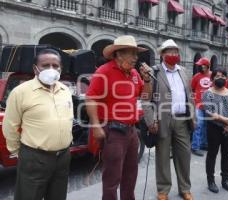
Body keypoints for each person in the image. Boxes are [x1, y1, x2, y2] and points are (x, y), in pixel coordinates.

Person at [85, 35, 152, 200]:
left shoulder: (135, 73)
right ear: (119, 54)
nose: (136, 58)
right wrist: (96, 126)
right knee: (112, 177)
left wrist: (148, 79)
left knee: (131, 175)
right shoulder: (104, 71)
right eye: (132, 53)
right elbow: (90, 98)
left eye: (137, 54)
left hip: (131, 131)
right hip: (113, 131)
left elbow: (145, 96)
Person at [3, 49, 74, 200]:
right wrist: (18, 152)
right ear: (35, 68)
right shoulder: (21, 92)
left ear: (60, 68)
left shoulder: (65, 91)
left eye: (55, 65)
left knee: (58, 196)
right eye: (45, 65)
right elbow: (10, 126)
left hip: (63, 157)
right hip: (35, 157)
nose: (51, 69)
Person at [142, 39, 194, 200]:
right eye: (169, 51)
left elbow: (190, 96)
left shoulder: (184, 71)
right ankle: (163, 190)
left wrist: (194, 117)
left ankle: (185, 188)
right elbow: (146, 99)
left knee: (184, 156)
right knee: (162, 156)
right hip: (162, 120)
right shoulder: (154, 72)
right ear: (162, 55)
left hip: (182, 120)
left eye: (175, 52)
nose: (173, 55)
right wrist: (150, 121)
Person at [202, 67, 228, 194]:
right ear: (212, 78)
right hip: (214, 128)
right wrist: (227, 121)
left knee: (227, 155)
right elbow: (209, 112)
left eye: (223, 76)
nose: (221, 78)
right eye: (217, 76)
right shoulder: (208, 93)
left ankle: (225, 180)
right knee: (212, 154)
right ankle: (211, 181)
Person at [190, 57, 212, 156]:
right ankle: (195, 147)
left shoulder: (213, 75)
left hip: (210, 106)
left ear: (207, 66)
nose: (199, 67)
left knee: (207, 126)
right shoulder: (196, 76)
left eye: (201, 65)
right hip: (198, 105)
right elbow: (192, 88)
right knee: (198, 125)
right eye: (198, 65)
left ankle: (204, 144)